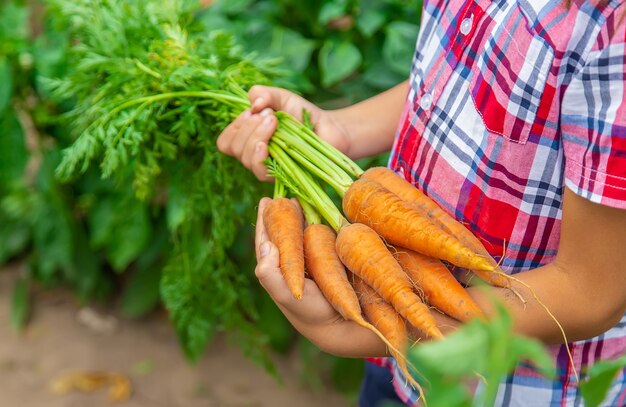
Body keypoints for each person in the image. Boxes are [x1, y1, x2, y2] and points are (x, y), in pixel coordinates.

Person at [217, 0, 626, 405]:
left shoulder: (613, 28)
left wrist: (365, 331)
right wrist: (342, 128)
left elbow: (592, 291)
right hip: (400, 363)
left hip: (512, 390)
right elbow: (460, 72)